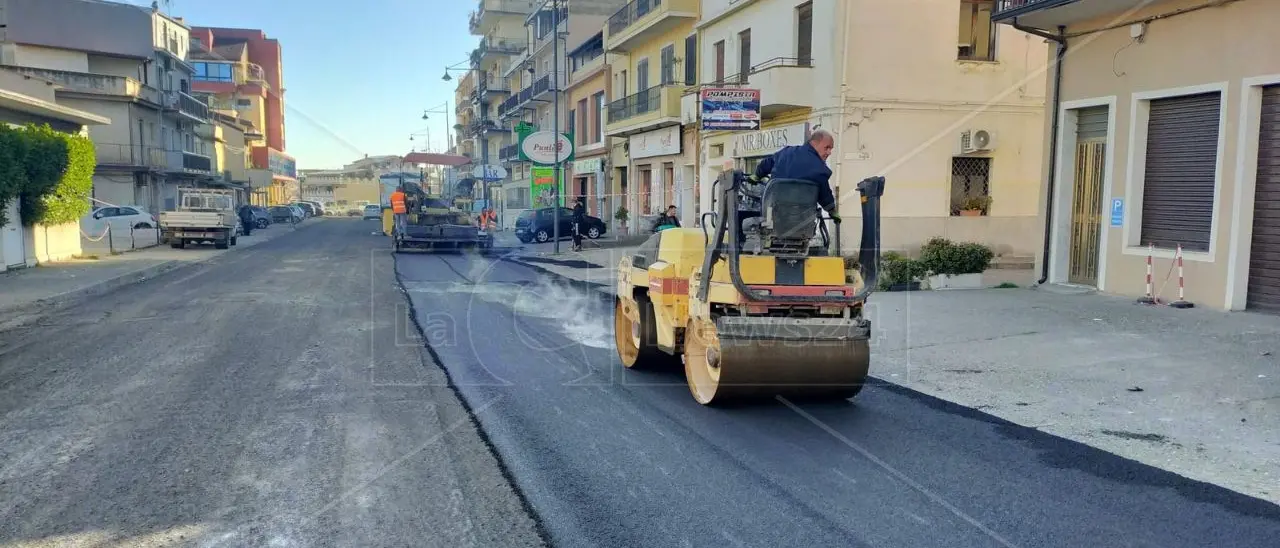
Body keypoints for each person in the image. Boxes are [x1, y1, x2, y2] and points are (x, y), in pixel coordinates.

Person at [740, 129, 841, 245]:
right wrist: (832, 211)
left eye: (831, 149)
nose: (829, 152)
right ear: (814, 143)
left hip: (773, 221)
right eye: (827, 147)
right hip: (803, 225)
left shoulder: (786, 153)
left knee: (744, 220)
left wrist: (756, 175)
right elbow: (825, 195)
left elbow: (767, 163)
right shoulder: (821, 170)